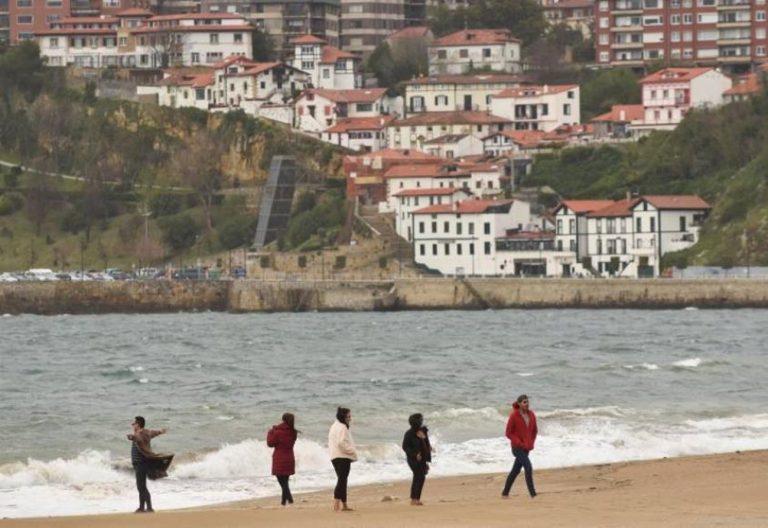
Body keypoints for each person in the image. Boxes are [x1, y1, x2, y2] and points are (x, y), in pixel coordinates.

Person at [127, 416, 174, 513]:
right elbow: (154, 432)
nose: (132, 425)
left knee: (141, 486)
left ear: (138, 424)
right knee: (141, 486)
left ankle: (148, 507)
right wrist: (161, 431)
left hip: (141, 463)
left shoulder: (140, 434)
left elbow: (139, 439)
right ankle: (142, 507)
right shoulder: (147, 432)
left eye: (134, 423)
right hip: (139, 464)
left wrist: (133, 437)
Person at [502, 394, 538, 499]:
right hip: (517, 448)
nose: (527, 404)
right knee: (528, 467)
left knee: (516, 470)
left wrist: (531, 442)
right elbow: (508, 433)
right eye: (524, 402)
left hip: (526, 447)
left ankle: (505, 493)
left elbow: (534, 431)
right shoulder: (514, 416)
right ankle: (533, 494)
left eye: (527, 402)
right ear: (519, 404)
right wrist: (518, 442)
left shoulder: (531, 415)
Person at [328, 406, 357, 512]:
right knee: (342, 480)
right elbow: (341, 443)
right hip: (342, 456)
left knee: (342, 480)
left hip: (334, 456)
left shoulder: (335, 426)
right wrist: (352, 451)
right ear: (343, 417)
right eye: (349, 416)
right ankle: (336, 503)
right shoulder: (342, 427)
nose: (350, 418)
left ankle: (344, 504)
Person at [267, 413, 298, 506]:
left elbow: (270, 443)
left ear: (283, 419)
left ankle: (290, 500)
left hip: (279, 458)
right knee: (285, 481)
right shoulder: (293, 432)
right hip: (289, 458)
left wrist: (270, 433)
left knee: (282, 482)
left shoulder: (278, 432)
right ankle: (283, 502)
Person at [402, 413, 432, 506]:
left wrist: (429, 447)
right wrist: (415, 455)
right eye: (420, 420)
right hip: (413, 459)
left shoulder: (423, 431)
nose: (422, 421)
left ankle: (416, 499)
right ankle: (414, 499)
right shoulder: (409, 433)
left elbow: (426, 442)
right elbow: (405, 447)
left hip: (423, 458)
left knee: (421, 477)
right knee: (418, 476)